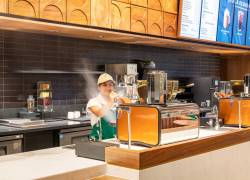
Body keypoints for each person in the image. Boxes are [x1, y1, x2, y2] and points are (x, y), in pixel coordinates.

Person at [86, 73, 118, 141]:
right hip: (99, 142)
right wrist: (111, 100)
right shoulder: (93, 102)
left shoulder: (116, 102)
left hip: (115, 140)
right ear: (99, 87)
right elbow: (100, 113)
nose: (108, 87)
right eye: (104, 85)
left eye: (110, 85)